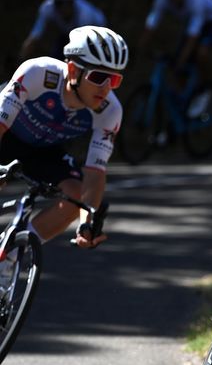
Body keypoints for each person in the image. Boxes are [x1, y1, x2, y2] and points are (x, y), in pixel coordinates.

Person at [0, 26, 126, 250]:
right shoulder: (37, 73)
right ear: (73, 70)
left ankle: (9, 258)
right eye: (99, 77)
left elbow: (95, 173)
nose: (107, 88)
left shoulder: (110, 110)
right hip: (6, 134)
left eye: (114, 80)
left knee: (75, 196)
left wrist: (87, 224)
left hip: (44, 149)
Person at [140, 0, 212, 84]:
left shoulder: (195, 1)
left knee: (201, 53)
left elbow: (193, 35)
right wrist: (141, 47)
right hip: (192, 20)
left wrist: (181, 60)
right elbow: (151, 24)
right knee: (178, 62)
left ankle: (205, 86)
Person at [20, 0, 107, 61]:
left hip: (94, 34)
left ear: (73, 1)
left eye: (68, 2)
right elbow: (34, 37)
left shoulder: (85, 15)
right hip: (67, 33)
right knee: (56, 56)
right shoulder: (47, 8)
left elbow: (83, 46)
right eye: (58, 3)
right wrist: (21, 60)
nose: (63, 7)